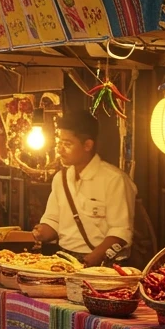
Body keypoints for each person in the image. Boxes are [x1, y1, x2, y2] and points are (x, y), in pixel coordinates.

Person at [31, 110, 136, 266]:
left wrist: (95, 257)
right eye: (59, 143)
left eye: (67, 144)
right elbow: (53, 220)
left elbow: (121, 231)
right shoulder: (61, 178)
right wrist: (41, 232)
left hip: (103, 263)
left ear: (87, 145)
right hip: (64, 259)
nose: (60, 150)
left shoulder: (114, 180)